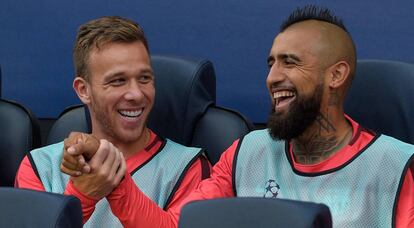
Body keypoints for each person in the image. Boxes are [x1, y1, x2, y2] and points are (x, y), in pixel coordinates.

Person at [61, 5, 414, 228]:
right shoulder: (245, 154)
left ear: (335, 75)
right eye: (271, 63)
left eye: (290, 62)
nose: (273, 77)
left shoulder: (397, 167)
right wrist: (114, 178)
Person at [15, 16, 210, 227]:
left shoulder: (187, 168)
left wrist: (110, 176)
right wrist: (82, 196)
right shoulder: (40, 167)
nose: (136, 94)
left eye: (144, 78)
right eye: (118, 81)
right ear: (84, 90)